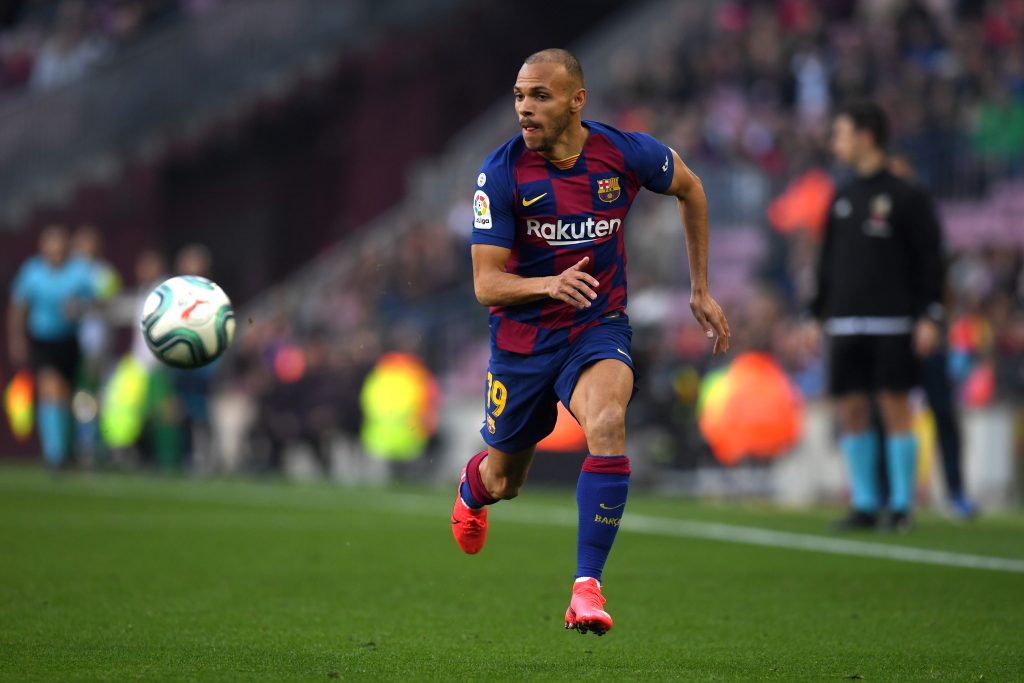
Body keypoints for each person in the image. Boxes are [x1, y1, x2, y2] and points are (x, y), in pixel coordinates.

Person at [450, 49, 730, 636]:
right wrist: (549, 282)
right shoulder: (499, 173)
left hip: (596, 327)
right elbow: (485, 284)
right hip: (523, 344)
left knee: (606, 423)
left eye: (540, 96)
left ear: (577, 100)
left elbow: (692, 189)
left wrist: (700, 288)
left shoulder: (623, 153)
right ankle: (473, 488)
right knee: (508, 481)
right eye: (520, 96)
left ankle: (586, 588)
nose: (525, 108)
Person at [805, 102, 946, 533]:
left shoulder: (908, 195)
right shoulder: (842, 196)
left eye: (841, 133)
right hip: (845, 321)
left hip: (894, 321)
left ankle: (902, 505)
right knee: (851, 408)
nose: (835, 143)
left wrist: (929, 314)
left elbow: (931, 260)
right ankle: (865, 504)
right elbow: (827, 263)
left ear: (866, 136)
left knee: (894, 404)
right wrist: (815, 314)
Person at [7, 225, 96, 467]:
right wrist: (16, 338)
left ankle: (68, 450)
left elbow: (96, 303)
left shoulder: (78, 272)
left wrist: (78, 307)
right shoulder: (32, 272)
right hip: (42, 340)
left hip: (68, 341)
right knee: (50, 390)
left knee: (66, 396)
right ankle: (54, 455)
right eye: (50, 244)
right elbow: (19, 307)